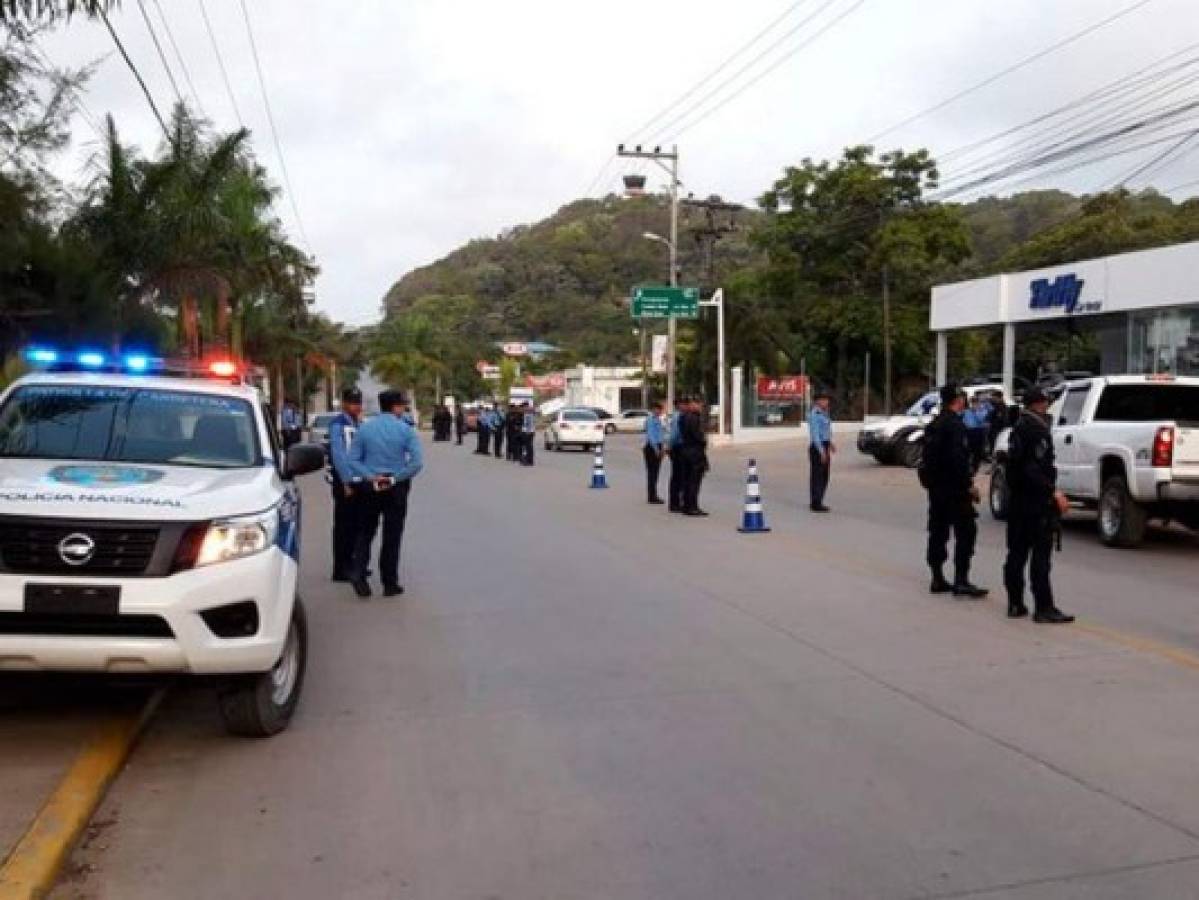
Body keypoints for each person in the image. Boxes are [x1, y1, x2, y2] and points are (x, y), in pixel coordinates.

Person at [1003, 388, 1074, 624]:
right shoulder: (1036, 431)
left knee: (1016, 553)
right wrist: (1053, 492)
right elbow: (1033, 469)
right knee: (1040, 558)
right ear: (1040, 405)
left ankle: (1015, 603)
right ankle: (1043, 607)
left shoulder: (1017, 429)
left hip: (1017, 502)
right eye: (1045, 403)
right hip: (1035, 503)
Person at [347, 390, 424, 599]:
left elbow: (353, 460)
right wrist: (394, 478)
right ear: (396, 407)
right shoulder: (405, 430)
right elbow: (416, 463)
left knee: (366, 531)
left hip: (370, 486)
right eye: (402, 405)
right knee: (392, 535)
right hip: (395, 486)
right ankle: (389, 582)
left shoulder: (365, 429)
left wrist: (370, 476)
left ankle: (359, 573)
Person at [921, 384, 988, 598]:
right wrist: (969, 486)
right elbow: (957, 460)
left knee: (938, 532)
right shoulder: (955, 425)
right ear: (957, 399)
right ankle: (961, 580)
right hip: (954, 489)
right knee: (966, 532)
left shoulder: (934, 424)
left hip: (936, 488)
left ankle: (937, 577)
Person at [327, 388, 365, 583]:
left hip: (359, 481)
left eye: (358, 402)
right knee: (344, 526)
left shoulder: (357, 423)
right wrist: (346, 480)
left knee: (357, 525)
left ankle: (354, 563)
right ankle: (341, 568)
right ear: (344, 404)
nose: (356, 406)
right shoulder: (338, 424)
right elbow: (339, 455)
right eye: (352, 402)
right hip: (345, 483)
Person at [678, 396, 709, 516]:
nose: (701, 407)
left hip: (685, 450)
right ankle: (692, 507)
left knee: (687, 480)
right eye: (699, 405)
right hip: (695, 452)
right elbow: (698, 436)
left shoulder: (683, 417)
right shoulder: (694, 418)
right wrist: (703, 440)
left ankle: (686, 506)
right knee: (694, 481)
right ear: (693, 404)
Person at [807, 391, 834, 512]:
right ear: (817, 401)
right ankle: (816, 503)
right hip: (818, 447)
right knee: (818, 475)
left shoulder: (825, 413)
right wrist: (822, 451)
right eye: (823, 399)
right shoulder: (814, 414)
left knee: (824, 475)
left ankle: (818, 500)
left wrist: (830, 443)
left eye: (827, 399)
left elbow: (826, 431)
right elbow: (815, 435)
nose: (826, 402)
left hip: (825, 445)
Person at [643, 401, 666, 505]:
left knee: (655, 472)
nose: (659, 411)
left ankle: (653, 494)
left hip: (658, 446)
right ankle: (652, 496)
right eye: (658, 409)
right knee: (652, 472)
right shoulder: (651, 420)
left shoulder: (658, 420)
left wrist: (662, 448)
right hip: (652, 447)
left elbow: (661, 435)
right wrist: (656, 449)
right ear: (653, 409)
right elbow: (652, 436)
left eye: (660, 409)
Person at [666, 398, 686, 512]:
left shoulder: (678, 416)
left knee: (679, 476)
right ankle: (674, 503)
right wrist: (669, 446)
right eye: (683, 404)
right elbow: (674, 434)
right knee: (677, 476)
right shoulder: (678, 416)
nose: (685, 406)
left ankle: (677, 501)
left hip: (678, 447)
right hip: (677, 448)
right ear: (678, 405)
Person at [963, 393, 990, 473]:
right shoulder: (966, 411)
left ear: (978, 402)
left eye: (975, 402)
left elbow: (981, 420)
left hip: (978, 431)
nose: (974, 404)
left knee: (977, 451)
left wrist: (976, 411)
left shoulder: (982, 410)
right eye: (972, 402)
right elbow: (963, 421)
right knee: (968, 450)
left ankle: (975, 468)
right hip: (969, 432)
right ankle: (968, 466)